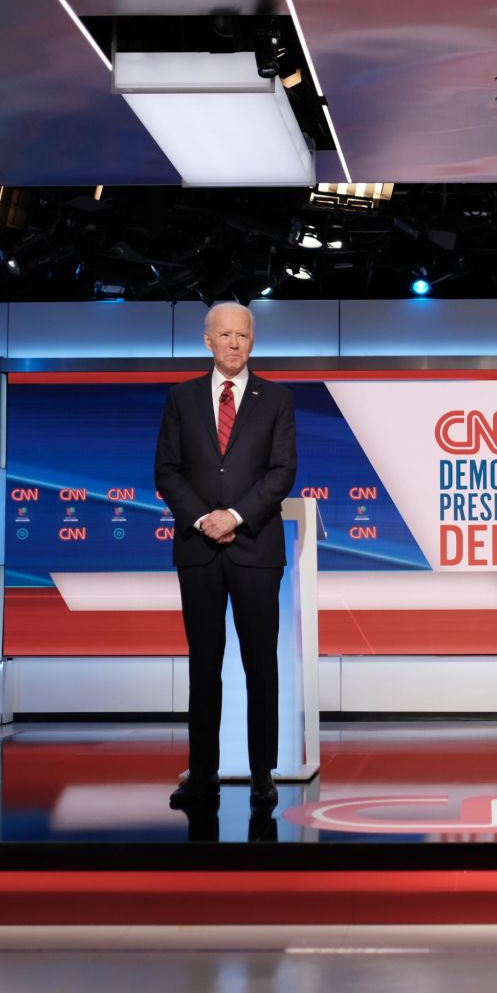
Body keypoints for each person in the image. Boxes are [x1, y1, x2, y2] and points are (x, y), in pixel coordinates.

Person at [155, 302, 297, 809]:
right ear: (207, 340)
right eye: (225, 334)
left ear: (252, 341)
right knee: (204, 665)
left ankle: (263, 774)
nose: (235, 343)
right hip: (198, 550)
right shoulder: (181, 398)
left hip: (256, 550)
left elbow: (281, 473)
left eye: (243, 335)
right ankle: (203, 774)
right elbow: (167, 471)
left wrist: (233, 517)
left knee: (261, 665)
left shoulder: (276, 399)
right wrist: (203, 519)